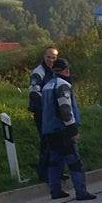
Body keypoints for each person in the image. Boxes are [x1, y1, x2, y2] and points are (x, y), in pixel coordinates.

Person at [40, 57, 96, 202]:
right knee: (74, 161)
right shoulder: (63, 85)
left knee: (55, 160)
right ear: (66, 70)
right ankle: (81, 192)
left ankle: (55, 190)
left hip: (49, 129)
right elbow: (65, 109)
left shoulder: (46, 86)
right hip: (62, 130)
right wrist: (72, 130)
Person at [29, 46, 59, 180]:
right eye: (48, 57)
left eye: (54, 57)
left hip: (51, 112)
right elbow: (34, 92)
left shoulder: (54, 71)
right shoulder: (38, 72)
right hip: (41, 112)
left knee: (54, 142)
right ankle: (43, 173)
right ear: (44, 57)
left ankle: (54, 171)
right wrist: (47, 105)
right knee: (46, 141)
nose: (51, 60)